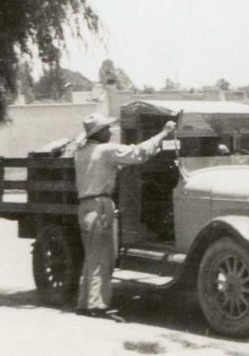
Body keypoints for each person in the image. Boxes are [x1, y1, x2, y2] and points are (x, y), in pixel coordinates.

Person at [73, 112, 176, 321]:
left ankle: (85, 303)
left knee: (93, 256)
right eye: (107, 130)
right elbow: (137, 153)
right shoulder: (105, 150)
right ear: (99, 133)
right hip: (100, 205)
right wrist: (163, 133)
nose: (110, 133)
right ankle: (97, 306)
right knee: (103, 258)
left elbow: (104, 170)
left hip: (85, 206)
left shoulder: (82, 152)